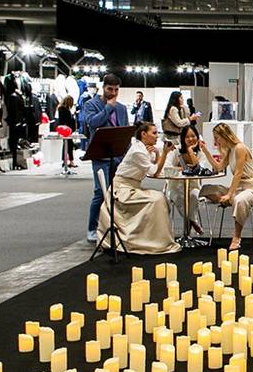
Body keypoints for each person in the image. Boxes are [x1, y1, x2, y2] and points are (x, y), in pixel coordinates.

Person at [98, 121, 179, 255]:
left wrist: (159, 154)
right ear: (143, 134)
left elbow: (155, 168)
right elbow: (153, 171)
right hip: (122, 189)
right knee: (157, 199)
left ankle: (152, 237)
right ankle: (153, 240)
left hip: (132, 187)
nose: (157, 136)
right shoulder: (137, 151)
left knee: (160, 197)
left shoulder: (142, 149)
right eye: (154, 133)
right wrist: (164, 153)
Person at [82, 73, 130, 244]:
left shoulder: (122, 108)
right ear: (103, 87)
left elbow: (124, 130)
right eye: (110, 89)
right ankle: (92, 228)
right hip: (100, 155)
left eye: (116, 90)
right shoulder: (91, 104)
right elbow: (93, 123)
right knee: (100, 193)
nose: (113, 93)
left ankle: (114, 225)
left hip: (118, 155)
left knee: (117, 193)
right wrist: (108, 107)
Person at [200, 123, 253, 251]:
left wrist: (229, 194)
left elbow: (238, 173)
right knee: (206, 189)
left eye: (217, 138)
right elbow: (218, 167)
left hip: (249, 187)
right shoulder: (230, 150)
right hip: (237, 188)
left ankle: (236, 237)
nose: (216, 141)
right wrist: (205, 151)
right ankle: (229, 200)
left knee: (239, 200)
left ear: (224, 136)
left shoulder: (240, 148)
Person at [166, 124, 210, 235]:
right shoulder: (176, 151)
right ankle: (193, 222)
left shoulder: (200, 152)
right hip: (175, 186)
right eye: (187, 137)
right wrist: (183, 168)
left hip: (193, 185)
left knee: (194, 197)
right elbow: (167, 167)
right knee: (179, 198)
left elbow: (199, 168)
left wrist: (190, 151)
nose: (191, 139)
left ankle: (189, 228)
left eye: (193, 136)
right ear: (183, 139)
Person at [55, 95, 78, 169]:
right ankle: (69, 161)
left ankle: (65, 160)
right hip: (66, 130)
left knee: (67, 145)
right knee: (69, 145)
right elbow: (65, 120)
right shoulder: (63, 109)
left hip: (66, 130)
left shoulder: (62, 109)